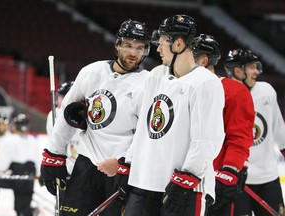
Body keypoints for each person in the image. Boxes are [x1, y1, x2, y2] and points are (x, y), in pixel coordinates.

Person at [115, 14, 225, 216]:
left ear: (179, 44)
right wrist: (129, 162)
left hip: (185, 189)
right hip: (145, 185)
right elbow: (144, 128)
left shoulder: (206, 82)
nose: (157, 48)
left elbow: (207, 140)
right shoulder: (156, 75)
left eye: (163, 42)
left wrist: (186, 179)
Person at [40, 19, 151, 216]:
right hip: (87, 163)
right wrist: (53, 155)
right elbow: (67, 114)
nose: (133, 53)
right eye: (128, 45)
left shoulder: (148, 83)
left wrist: (124, 163)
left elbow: (146, 133)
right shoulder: (92, 72)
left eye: (139, 48)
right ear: (117, 45)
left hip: (120, 170)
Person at [192, 34, 255, 215]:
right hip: (179, 180)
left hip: (214, 182)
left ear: (203, 61)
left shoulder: (234, 91)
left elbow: (240, 138)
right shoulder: (178, 87)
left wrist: (230, 170)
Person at [227, 49, 285, 215]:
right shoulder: (223, 94)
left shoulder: (266, 91)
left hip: (268, 179)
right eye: (252, 67)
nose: (257, 71)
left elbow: (279, 130)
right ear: (238, 70)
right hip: (237, 181)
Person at [0, 113, 40, 215]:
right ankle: (26, 211)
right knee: (23, 206)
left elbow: (2, 166)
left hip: (16, 175)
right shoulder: (33, 140)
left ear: (15, 126)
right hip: (30, 175)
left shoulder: (9, 140)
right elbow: (38, 161)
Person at [46, 81, 78, 174]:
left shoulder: (80, 113)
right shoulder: (53, 114)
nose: (61, 100)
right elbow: (53, 140)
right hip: (63, 161)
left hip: (80, 161)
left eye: (64, 96)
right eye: (60, 96)